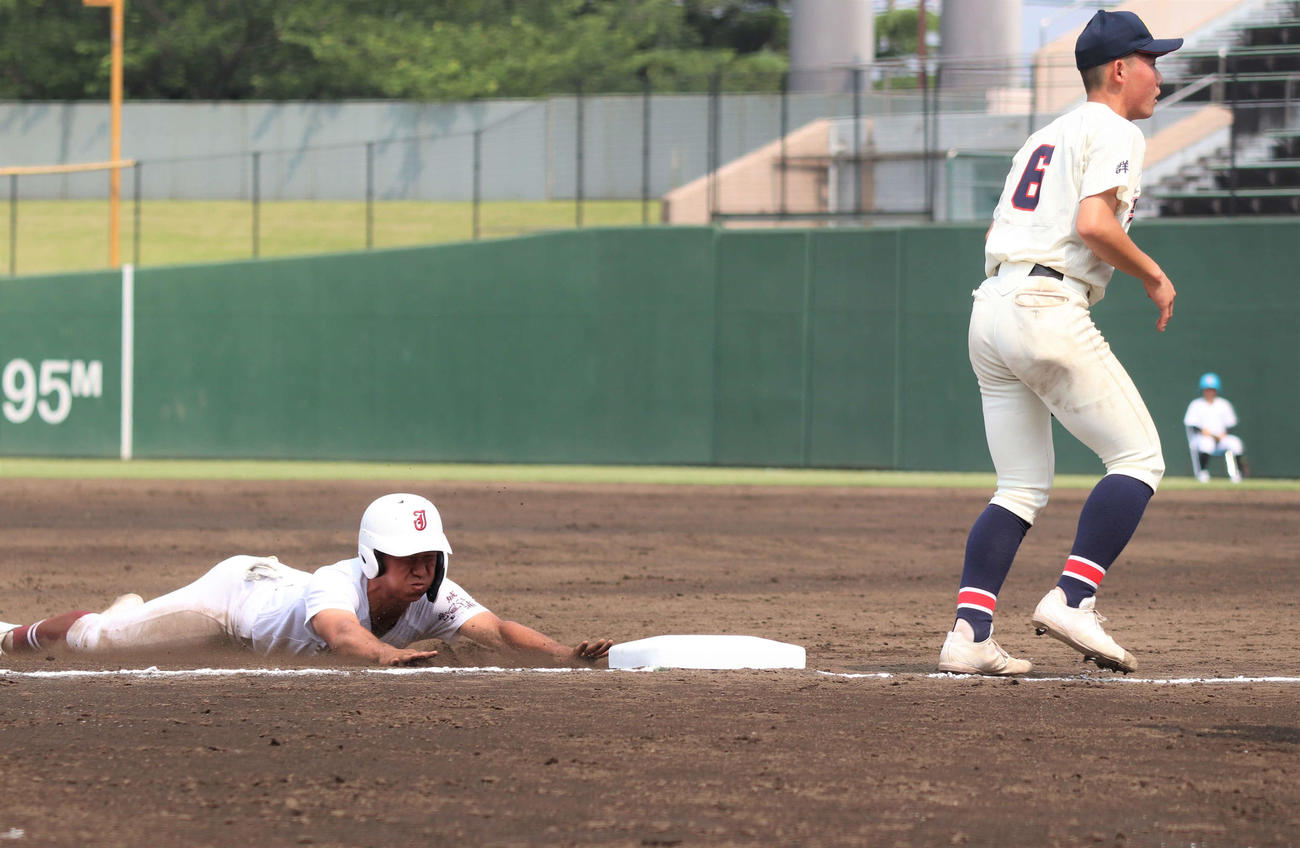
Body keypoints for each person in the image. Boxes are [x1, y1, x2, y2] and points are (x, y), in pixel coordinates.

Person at [936, 10, 1182, 677]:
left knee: (1018, 486)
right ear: (1120, 69)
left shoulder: (1045, 135)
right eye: (1151, 61)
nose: (1159, 76)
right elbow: (1094, 223)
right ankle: (1074, 598)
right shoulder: (1116, 129)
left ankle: (970, 632)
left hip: (991, 306)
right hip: (1045, 304)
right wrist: (1154, 275)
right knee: (1139, 458)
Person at [0, 493, 614, 667]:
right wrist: (386, 655)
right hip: (231, 601)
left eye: (430, 556)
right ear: (373, 558)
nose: (423, 568)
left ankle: (130, 613)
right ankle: (11, 634)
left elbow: (497, 630)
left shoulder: (435, 596)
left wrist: (566, 654)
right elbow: (342, 635)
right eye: (408, 558)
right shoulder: (333, 583)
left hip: (261, 617)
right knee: (100, 641)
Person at [1184, 372, 1246, 483]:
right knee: (1207, 444)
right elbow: (1192, 426)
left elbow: (1230, 425)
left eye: (1212, 389)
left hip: (1221, 438)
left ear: (1216, 390)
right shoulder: (1196, 404)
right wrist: (1207, 433)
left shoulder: (1224, 404)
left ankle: (1236, 474)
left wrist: (1223, 434)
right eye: (1207, 389)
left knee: (1235, 443)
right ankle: (1203, 473)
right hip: (1202, 438)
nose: (1209, 392)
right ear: (1202, 390)